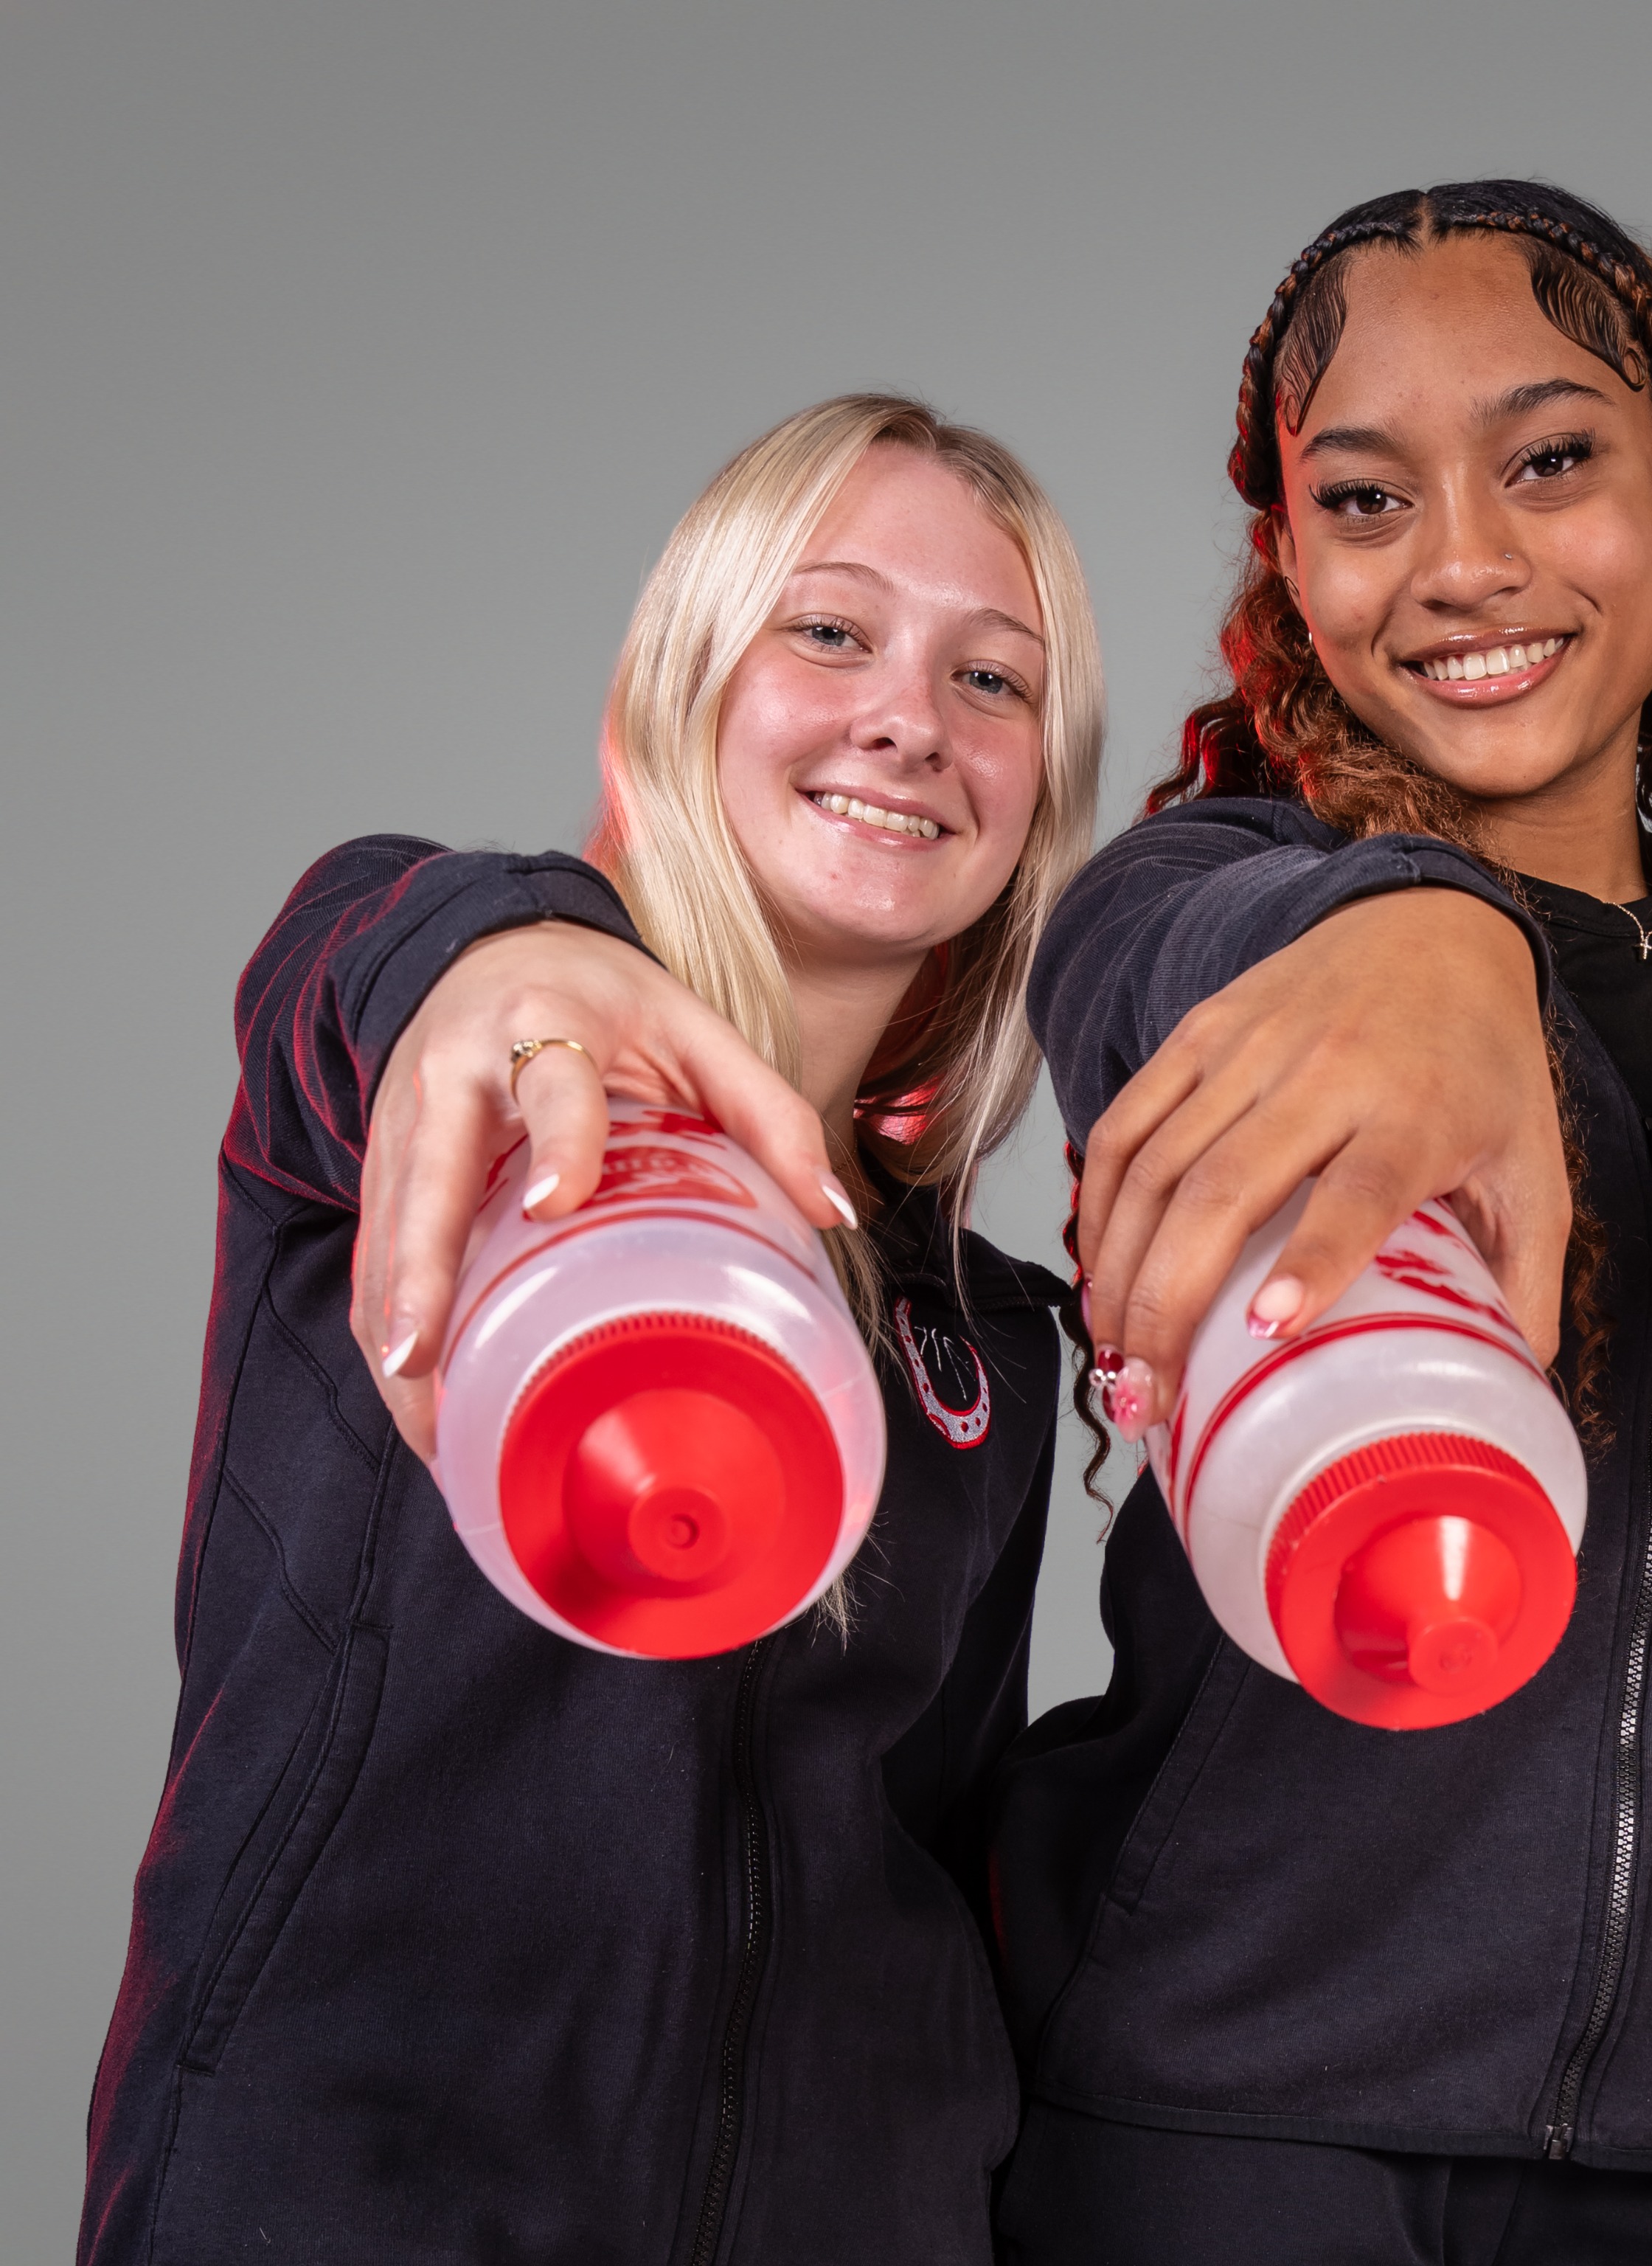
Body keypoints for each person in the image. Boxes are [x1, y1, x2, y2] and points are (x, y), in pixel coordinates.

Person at [993, 183, 1652, 2265]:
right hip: (1227, 2130)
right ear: (1295, 571)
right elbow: (1127, 974)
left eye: (1549, 461)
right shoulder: (1218, 912)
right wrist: (1419, 923)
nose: (1461, 560)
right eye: (1366, 501)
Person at [80, 395, 1104, 2264]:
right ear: (683, 675)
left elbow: (937, 1856)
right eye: (830, 630)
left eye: (992, 680)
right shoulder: (452, 1093)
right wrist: (509, 958)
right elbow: (374, 957)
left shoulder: (988, 1347)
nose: (910, 719)